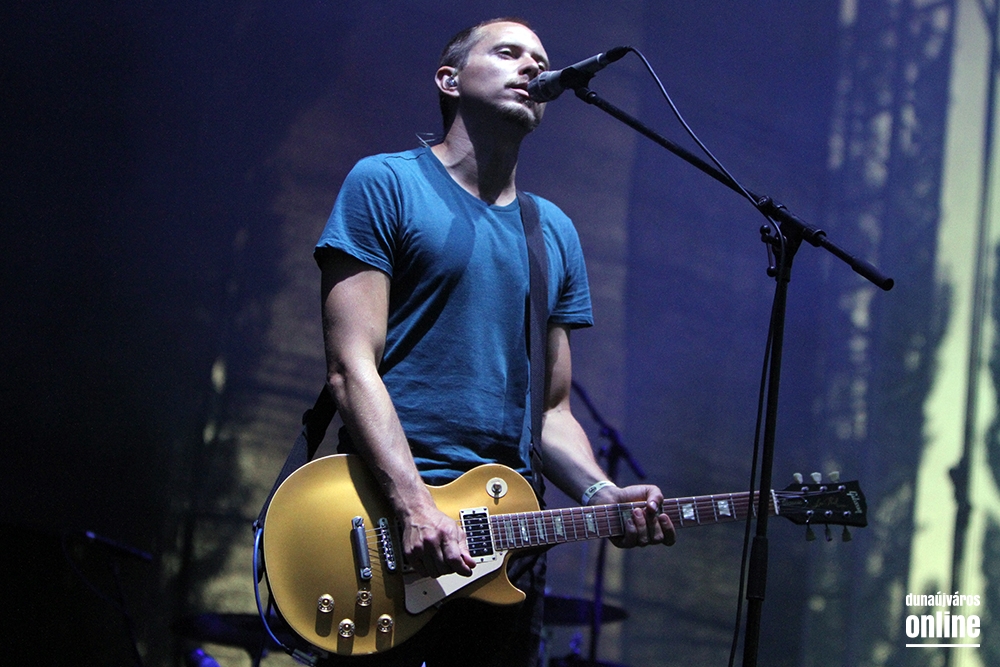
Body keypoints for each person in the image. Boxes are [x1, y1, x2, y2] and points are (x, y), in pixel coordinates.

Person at [314, 17, 675, 667]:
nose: (533, 66)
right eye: (509, 52)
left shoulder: (552, 231)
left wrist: (601, 492)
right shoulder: (386, 183)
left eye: (540, 58)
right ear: (449, 80)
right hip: (384, 520)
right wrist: (414, 503)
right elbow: (350, 365)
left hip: (505, 543)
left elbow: (552, 411)